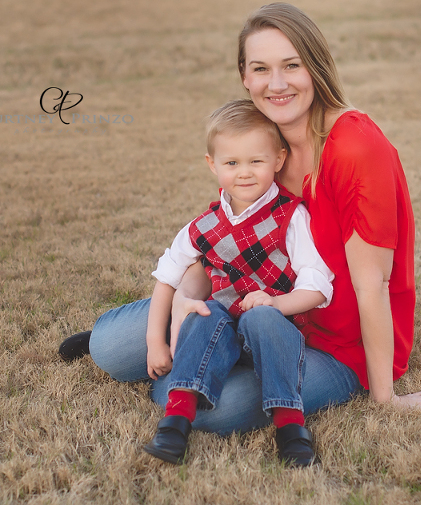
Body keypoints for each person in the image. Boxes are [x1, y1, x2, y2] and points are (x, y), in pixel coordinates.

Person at [58, 1, 421, 461]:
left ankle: (203, 370)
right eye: (261, 69)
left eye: (292, 65)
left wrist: (386, 398)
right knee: (110, 349)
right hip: (242, 305)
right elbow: (226, 242)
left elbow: (374, 284)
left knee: (211, 408)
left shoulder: (355, 148)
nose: (277, 84)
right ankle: (187, 350)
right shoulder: (266, 140)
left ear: (316, 66)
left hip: (332, 343)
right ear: (244, 77)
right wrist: (185, 299)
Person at [142, 99, 333, 466]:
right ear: (212, 164)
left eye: (256, 161)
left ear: (278, 160)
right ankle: (175, 425)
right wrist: (155, 343)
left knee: (262, 317)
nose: (244, 173)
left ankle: (291, 429)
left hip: (272, 335)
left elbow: (318, 284)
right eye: (231, 163)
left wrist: (276, 303)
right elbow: (166, 278)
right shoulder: (204, 225)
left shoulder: (290, 217)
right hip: (219, 336)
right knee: (205, 312)